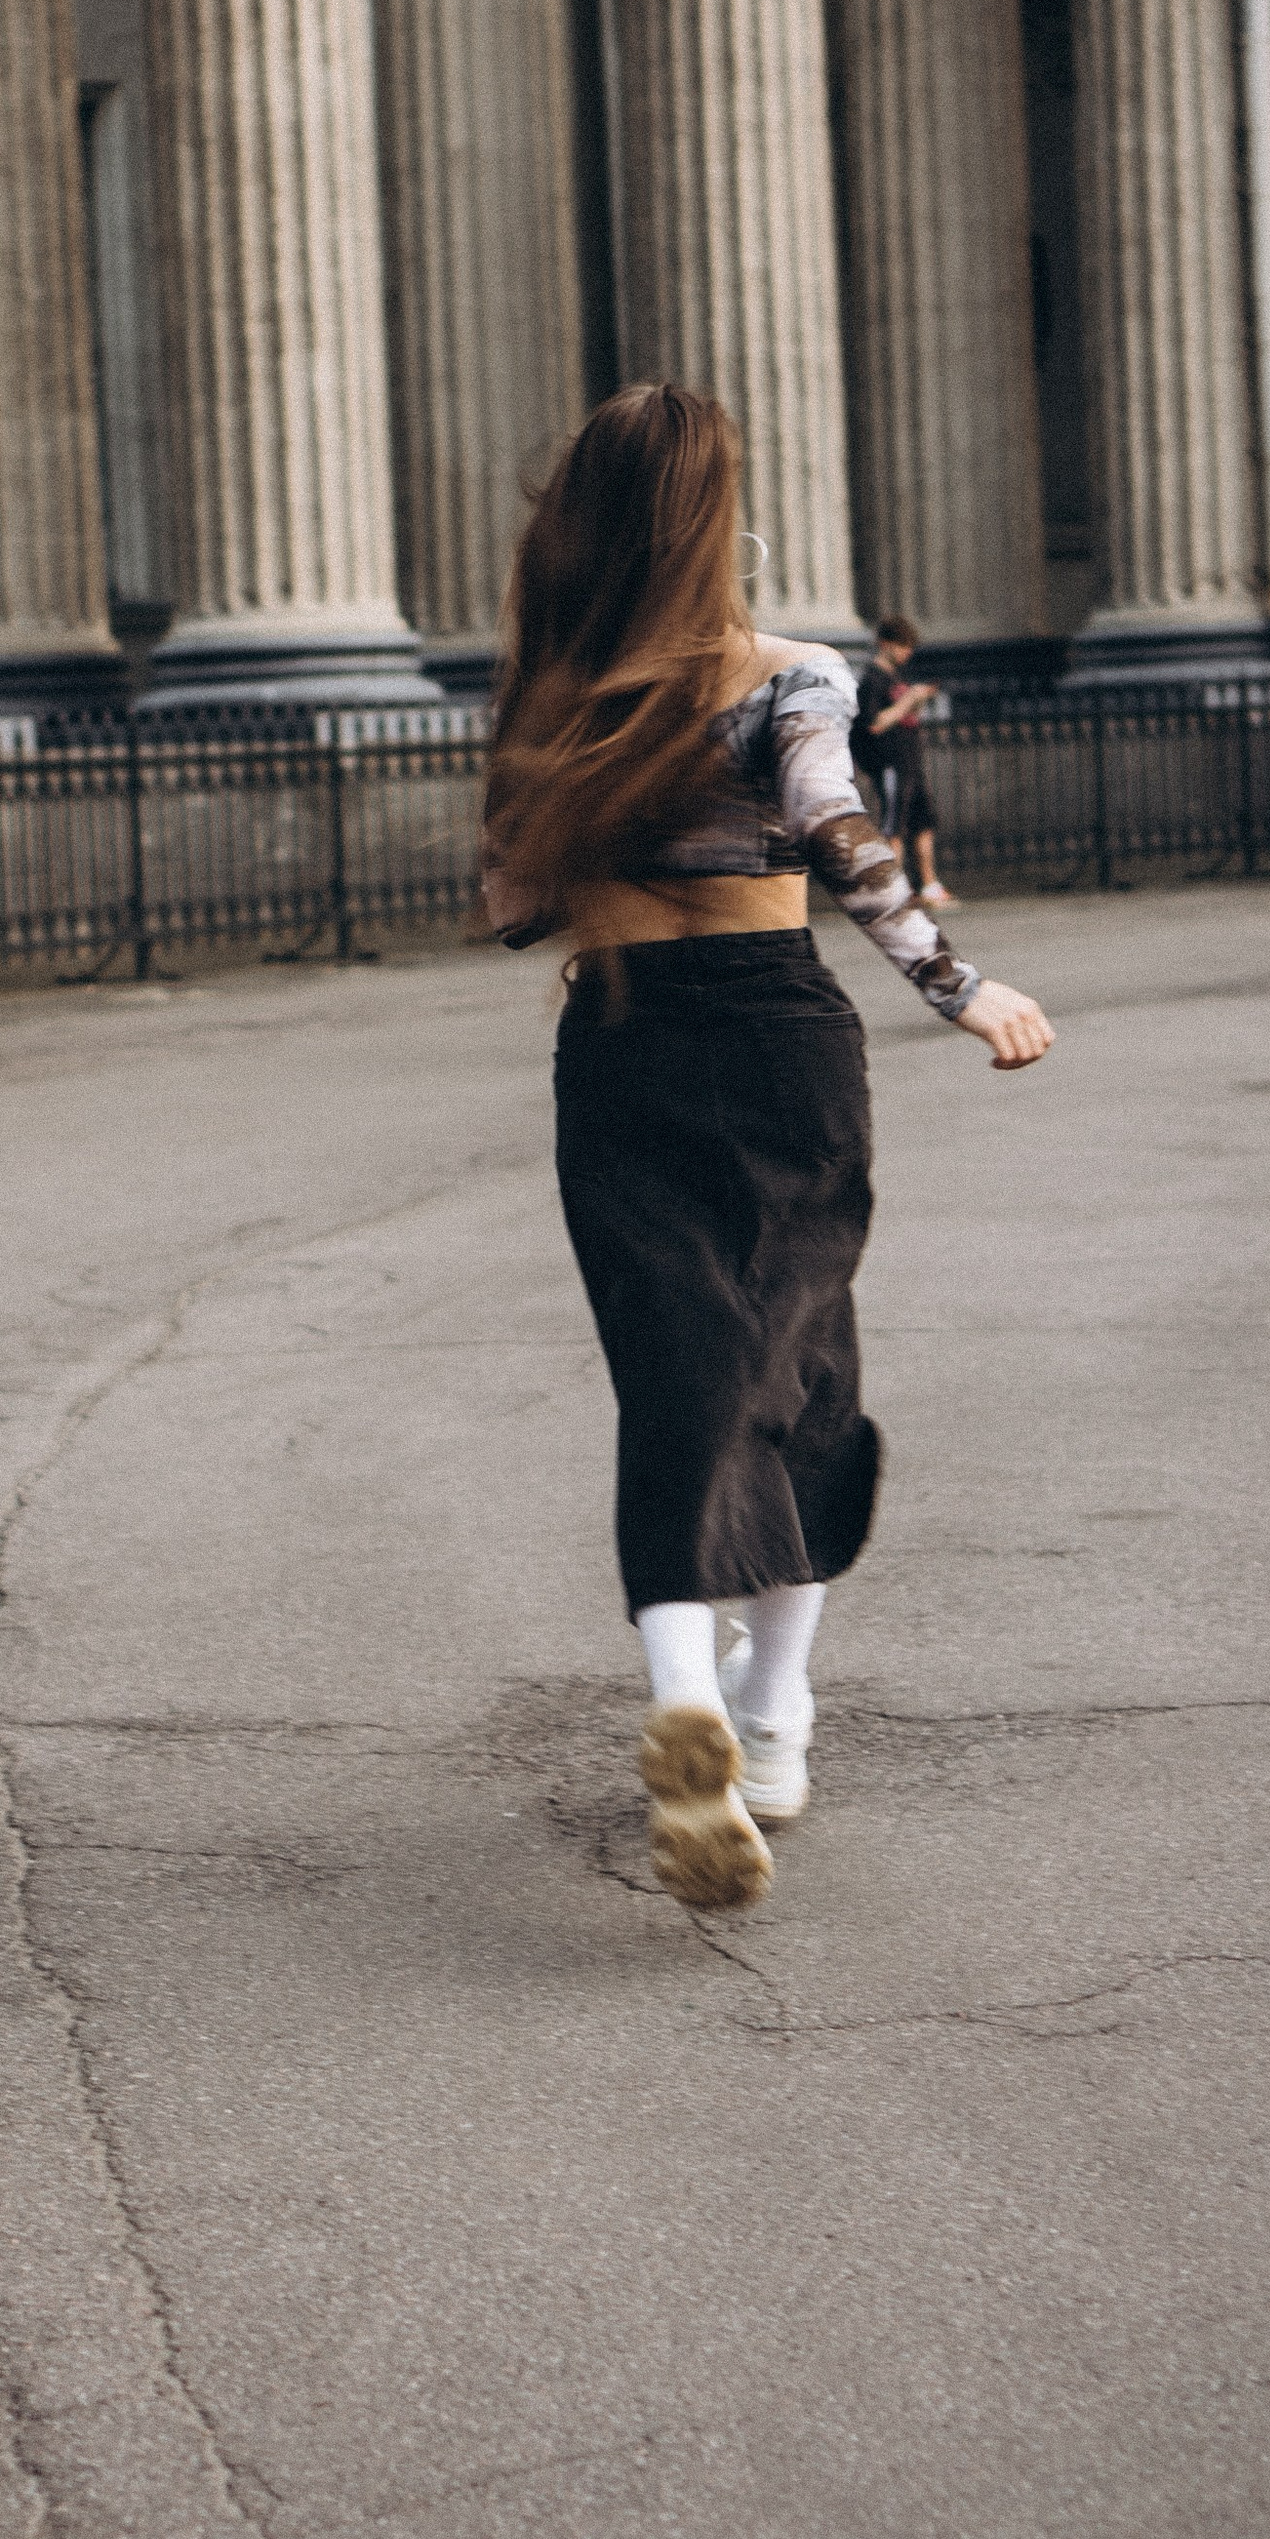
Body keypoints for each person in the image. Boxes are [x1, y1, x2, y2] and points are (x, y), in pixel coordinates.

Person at [482, 385, 1052, 1913]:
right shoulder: (791, 673)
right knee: (802, 1373)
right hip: (778, 1041)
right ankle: (778, 1718)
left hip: (621, 1046)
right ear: (715, 519)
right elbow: (837, 828)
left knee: (677, 1375)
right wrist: (960, 986)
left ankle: (689, 1698)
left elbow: (512, 904)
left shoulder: (555, 696)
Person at [851, 614, 957, 909]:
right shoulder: (872, 680)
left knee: (924, 821)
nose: (906, 653)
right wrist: (908, 700)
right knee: (894, 825)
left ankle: (928, 884)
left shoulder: (898, 677)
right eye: (902, 646)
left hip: (911, 761)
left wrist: (918, 700)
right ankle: (894, 889)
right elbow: (874, 723)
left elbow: (906, 716)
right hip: (890, 762)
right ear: (885, 644)